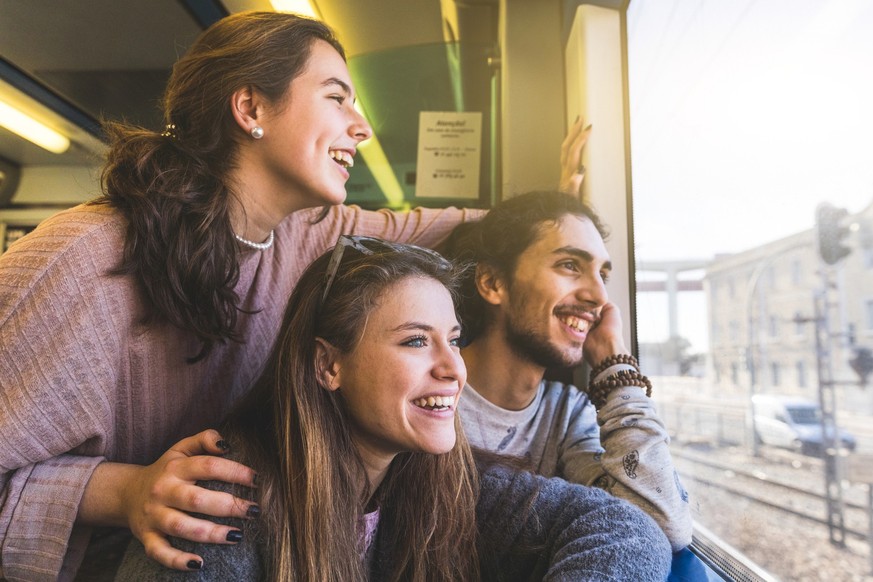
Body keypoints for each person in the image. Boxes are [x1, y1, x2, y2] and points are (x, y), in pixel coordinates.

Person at [0, 11, 592, 580]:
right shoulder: (80, 258)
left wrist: (557, 217)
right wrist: (122, 490)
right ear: (251, 106)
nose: (362, 127)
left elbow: (455, 226)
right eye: (336, 97)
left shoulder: (307, 235)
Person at [114, 235, 673, 580]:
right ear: (327, 365)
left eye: (452, 339)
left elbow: (631, 531)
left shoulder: (441, 485)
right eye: (414, 341)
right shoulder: (222, 501)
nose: (454, 368)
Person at [439, 190, 694, 552]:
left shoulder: (568, 414)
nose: (599, 296)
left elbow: (661, 527)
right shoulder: (431, 391)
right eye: (570, 265)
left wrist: (615, 368)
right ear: (493, 283)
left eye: (602, 274)